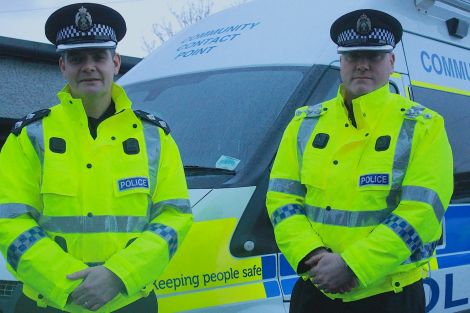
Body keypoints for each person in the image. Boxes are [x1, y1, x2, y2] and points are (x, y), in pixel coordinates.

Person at [0, 3, 192, 312]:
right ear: (63, 66)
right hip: (49, 303)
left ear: (115, 63)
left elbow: (175, 216)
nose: (88, 66)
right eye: (76, 58)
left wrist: (119, 275)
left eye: (98, 57)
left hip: (129, 301)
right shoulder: (29, 136)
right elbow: (9, 220)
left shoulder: (154, 136)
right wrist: (69, 283)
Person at [266, 9, 453, 313]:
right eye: (353, 56)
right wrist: (311, 253)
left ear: (391, 62)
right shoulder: (304, 123)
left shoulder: (424, 126)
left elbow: (421, 212)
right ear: (341, 63)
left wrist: (353, 266)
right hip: (316, 292)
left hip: (391, 297)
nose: (362, 65)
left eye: (374, 56)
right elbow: (281, 199)